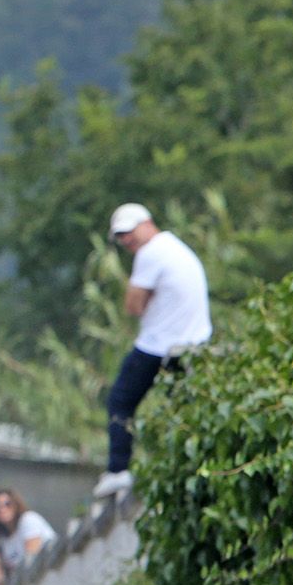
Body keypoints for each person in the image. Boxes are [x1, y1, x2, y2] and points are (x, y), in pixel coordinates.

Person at [97, 203, 211, 498]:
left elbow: (133, 306)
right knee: (183, 408)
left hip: (159, 345)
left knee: (120, 402)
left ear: (147, 223)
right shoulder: (176, 248)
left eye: (128, 232)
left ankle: (117, 470)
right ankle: (190, 464)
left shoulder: (151, 253)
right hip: (194, 344)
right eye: (120, 237)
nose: (126, 241)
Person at [0, 487, 56, 577]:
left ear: (16, 504)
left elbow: (32, 559)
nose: (2, 509)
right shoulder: (4, 539)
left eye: (7, 504)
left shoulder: (29, 519)